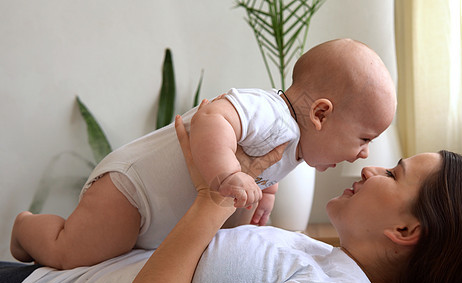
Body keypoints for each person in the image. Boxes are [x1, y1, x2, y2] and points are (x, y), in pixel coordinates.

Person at [4, 115, 462, 283]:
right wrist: (240, 213)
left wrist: (209, 204)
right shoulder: (334, 267)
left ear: (405, 228)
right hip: (44, 279)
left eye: (394, 175)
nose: (371, 168)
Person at [10, 38, 398, 270]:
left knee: (117, 253)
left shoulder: (295, 146)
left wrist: (266, 192)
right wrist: (228, 173)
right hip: (131, 191)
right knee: (72, 252)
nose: (363, 155)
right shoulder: (270, 112)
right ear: (321, 114)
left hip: (158, 219)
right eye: (364, 138)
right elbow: (214, 115)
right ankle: (27, 228)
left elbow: (266, 169)